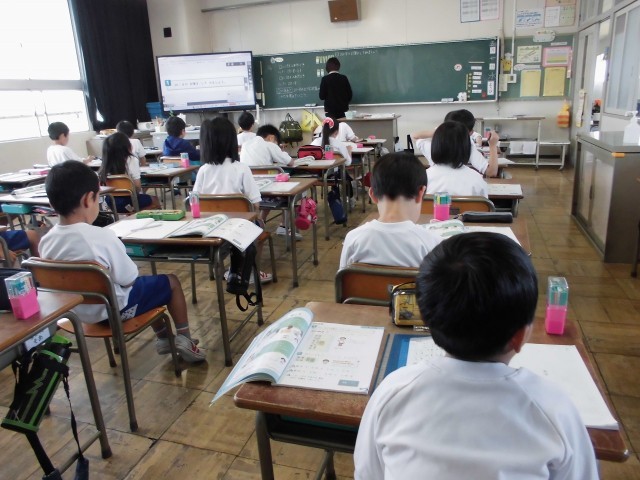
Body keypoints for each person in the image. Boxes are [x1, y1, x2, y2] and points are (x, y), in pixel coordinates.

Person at [354, 233, 598, 479]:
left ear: (426, 319)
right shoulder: (554, 410)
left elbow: (368, 473)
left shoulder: (392, 393)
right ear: (519, 336)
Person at [40, 161, 205, 362]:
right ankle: (185, 339)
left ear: (51, 204)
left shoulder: (46, 242)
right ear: (88, 199)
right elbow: (129, 279)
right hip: (113, 312)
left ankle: (164, 339)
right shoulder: (101, 236)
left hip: (75, 314)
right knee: (170, 283)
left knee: (148, 288)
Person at [193, 117, 273, 283]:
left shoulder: (203, 170)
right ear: (232, 141)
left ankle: (224, 269)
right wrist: (257, 217)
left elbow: (194, 202)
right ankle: (250, 271)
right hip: (239, 228)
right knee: (259, 226)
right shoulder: (241, 168)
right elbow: (255, 204)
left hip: (211, 228)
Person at [339, 152, 441, 268]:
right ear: (420, 193)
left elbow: (343, 278)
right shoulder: (433, 243)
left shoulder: (353, 239)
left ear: (372, 195)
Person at [412, 108, 500, 178]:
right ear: (469, 133)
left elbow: (414, 136)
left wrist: (440, 131)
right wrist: (492, 146)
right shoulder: (468, 147)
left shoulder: (432, 146)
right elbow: (491, 172)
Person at [98, 132, 160, 213]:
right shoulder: (131, 160)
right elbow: (137, 187)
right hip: (129, 200)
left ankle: (131, 214)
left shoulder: (105, 163)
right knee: (155, 200)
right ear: (128, 147)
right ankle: (135, 214)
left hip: (110, 201)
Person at [424, 121, 488, 197]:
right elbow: (485, 203)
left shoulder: (423, 178)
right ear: (466, 147)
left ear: (435, 145)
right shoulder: (476, 179)